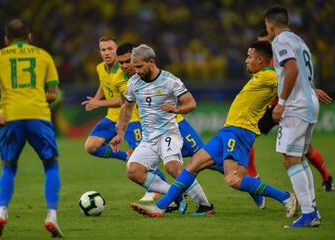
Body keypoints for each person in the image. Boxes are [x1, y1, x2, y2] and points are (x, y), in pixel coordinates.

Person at [130, 41, 298, 223]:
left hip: (241, 132)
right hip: (228, 130)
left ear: (260, 59)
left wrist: (312, 91)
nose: (246, 60)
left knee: (233, 179)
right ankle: (161, 207)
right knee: (193, 165)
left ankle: (286, 197)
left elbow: (291, 80)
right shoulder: (260, 76)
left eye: (249, 57)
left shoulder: (270, 76)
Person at [110, 44, 214, 216]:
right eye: (135, 67)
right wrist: (120, 133)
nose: (136, 71)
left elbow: (191, 103)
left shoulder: (169, 80)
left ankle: (205, 205)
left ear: (151, 62)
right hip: (149, 138)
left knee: (173, 167)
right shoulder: (133, 83)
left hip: (169, 134)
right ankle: (176, 193)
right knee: (133, 170)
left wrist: (176, 109)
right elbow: (127, 108)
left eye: (140, 66)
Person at [0, 19, 63, 237]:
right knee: (50, 165)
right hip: (39, 116)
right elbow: (53, 93)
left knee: (8, 166)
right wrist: (36, 95)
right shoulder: (44, 55)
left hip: (10, 117)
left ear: (6, 39)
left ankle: (1, 212)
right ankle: (51, 215)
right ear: (29, 37)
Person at [82, 38, 166, 203]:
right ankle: (125, 156)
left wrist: (98, 103)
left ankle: (156, 189)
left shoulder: (127, 72)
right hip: (111, 117)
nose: (106, 52)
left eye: (110, 49)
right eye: (103, 49)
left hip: (130, 117)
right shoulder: (100, 68)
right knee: (91, 146)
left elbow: (126, 100)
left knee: (142, 161)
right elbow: (103, 84)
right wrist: (96, 98)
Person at [264, 5, 322, 228]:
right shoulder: (299, 41)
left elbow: (293, 69)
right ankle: (312, 210)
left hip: (296, 106)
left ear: (270, 24)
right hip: (309, 103)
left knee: (290, 159)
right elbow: (304, 71)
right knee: (298, 158)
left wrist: (282, 103)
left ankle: (309, 213)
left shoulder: (280, 41)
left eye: (266, 26)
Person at [257, 29, 334, 192]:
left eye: (264, 42)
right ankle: (253, 180)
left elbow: (296, 76)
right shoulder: (265, 61)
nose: (262, 47)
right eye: (259, 44)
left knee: (301, 152)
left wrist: (311, 90)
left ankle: (326, 179)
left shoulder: (281, 56)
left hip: (286, 106)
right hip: (275, 107)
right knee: (248, 133)